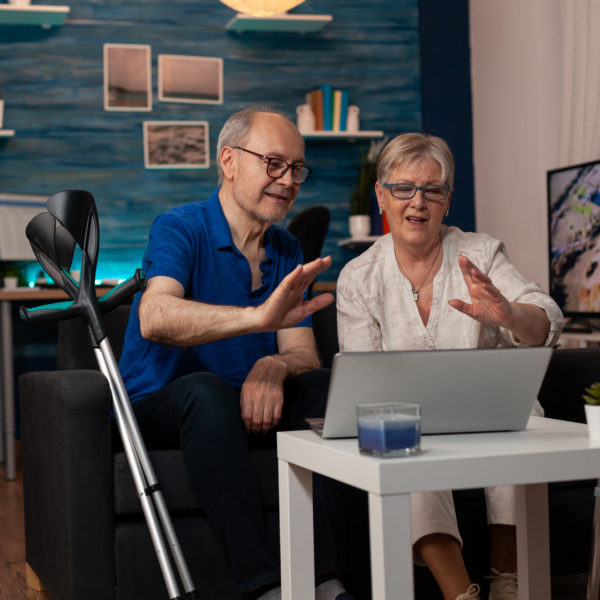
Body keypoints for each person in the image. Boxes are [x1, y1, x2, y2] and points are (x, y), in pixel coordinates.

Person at [119, 109, 352, 600]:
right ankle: (262, 585)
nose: (288, 181)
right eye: (273, 163)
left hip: (245, 404)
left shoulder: (287, 247)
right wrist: (257, 320)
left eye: (296, 169)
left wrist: (273, 364)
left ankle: (326, 580)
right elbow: (155, 315)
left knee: (326, 384)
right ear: (228, 160)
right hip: (164, 403)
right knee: (206, 393)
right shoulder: (180, 226)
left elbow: (302, 354)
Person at [336, 133, 563, 600]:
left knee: (517, 421)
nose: (417, 202)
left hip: (491, 416)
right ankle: (461, 594)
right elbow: (363, 387)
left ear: (447, 200)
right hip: (409, 421)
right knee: (399, 440)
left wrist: (509, 314)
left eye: (432, 190)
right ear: (381, 195)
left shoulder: (480, 253)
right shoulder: (358, 278)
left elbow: (545, 318)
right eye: (403, 188)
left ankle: (509, 581)